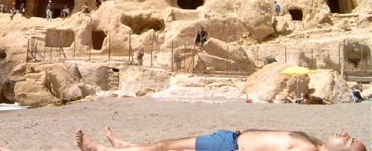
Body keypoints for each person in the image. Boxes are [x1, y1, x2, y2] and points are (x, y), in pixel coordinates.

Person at [76, 127, 368, 151]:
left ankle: (100, 149)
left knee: (166, 148)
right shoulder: (311, 142)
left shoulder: (308, 150)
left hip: (228, 147)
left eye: (348, 140)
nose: (344, 134)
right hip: (231, 139)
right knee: (166, 148)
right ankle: (126, 147)